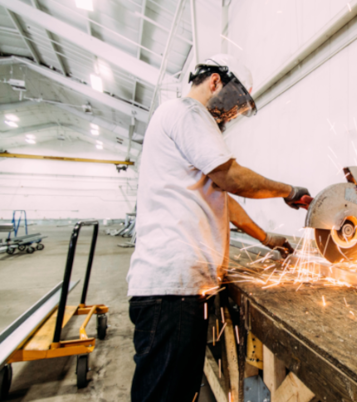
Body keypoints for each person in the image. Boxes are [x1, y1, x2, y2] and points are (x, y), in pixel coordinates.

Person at [126, 54, 310, 402]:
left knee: (176, 392)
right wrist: (289, 190)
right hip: (172, 291)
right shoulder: (188, 112)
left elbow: (222, 197)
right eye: (235, 103)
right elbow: (230, 177)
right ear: (215, 82)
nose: (234, 113)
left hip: (176, 289)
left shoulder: (177, 120)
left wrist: (265, 237)